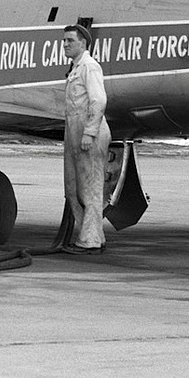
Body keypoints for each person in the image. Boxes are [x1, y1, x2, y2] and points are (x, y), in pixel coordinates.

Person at [61, 23, 110, 254]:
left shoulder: (89, 66)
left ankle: (89, 240)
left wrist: (89, 133)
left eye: (70, 40)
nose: (66, 45)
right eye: (64, 41)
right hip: (74, 130)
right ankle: (91, 234)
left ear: (83, 43)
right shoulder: (75, 68)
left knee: (90, 189)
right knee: (73, 188)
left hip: (88, 132)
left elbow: (98, 101)